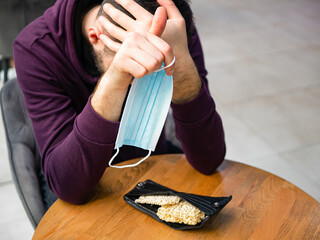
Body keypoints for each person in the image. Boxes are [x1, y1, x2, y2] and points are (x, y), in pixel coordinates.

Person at [13, 0, 226, 205]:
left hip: (148, 160)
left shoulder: (170, 27)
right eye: (135, 70)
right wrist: (114, 81)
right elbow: (68, 186)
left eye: (158, 72)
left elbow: (209, 160)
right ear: (96, 37)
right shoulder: (35, 47)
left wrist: (183, 70)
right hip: (75, 169)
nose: (147, 75)